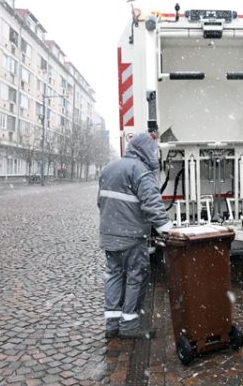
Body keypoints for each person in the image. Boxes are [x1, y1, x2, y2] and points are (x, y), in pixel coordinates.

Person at [97, 133, 173, 339]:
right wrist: (169, 231)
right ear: (147, 152)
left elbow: (100, 202)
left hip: (109, 234)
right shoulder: (140, 172)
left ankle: (112, 324)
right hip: (130, 236)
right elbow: (153, 206)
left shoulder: (109, 168)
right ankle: (129, 323)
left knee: (114, 274)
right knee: (136, 275)